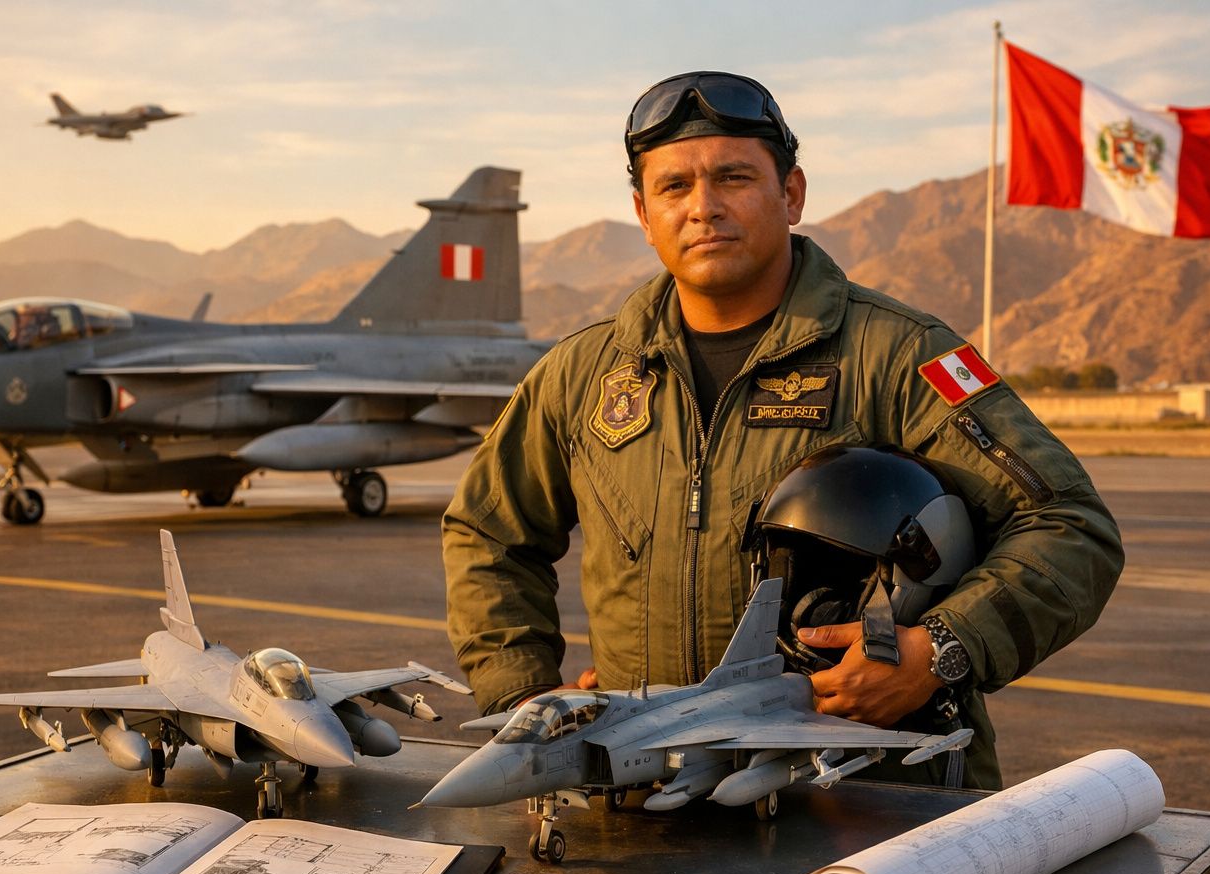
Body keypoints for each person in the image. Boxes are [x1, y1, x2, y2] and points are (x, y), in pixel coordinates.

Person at [441, 71, 1123, 789]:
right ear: (644, 213)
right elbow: (489, 534)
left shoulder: (898, 355)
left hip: (866, 800)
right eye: (674, 187)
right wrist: (524, 694)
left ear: (791, 194)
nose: (703, 207)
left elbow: (1069, 526)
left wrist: (939, 650)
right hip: (645, 796)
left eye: (733, 178)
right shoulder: (583, 374)